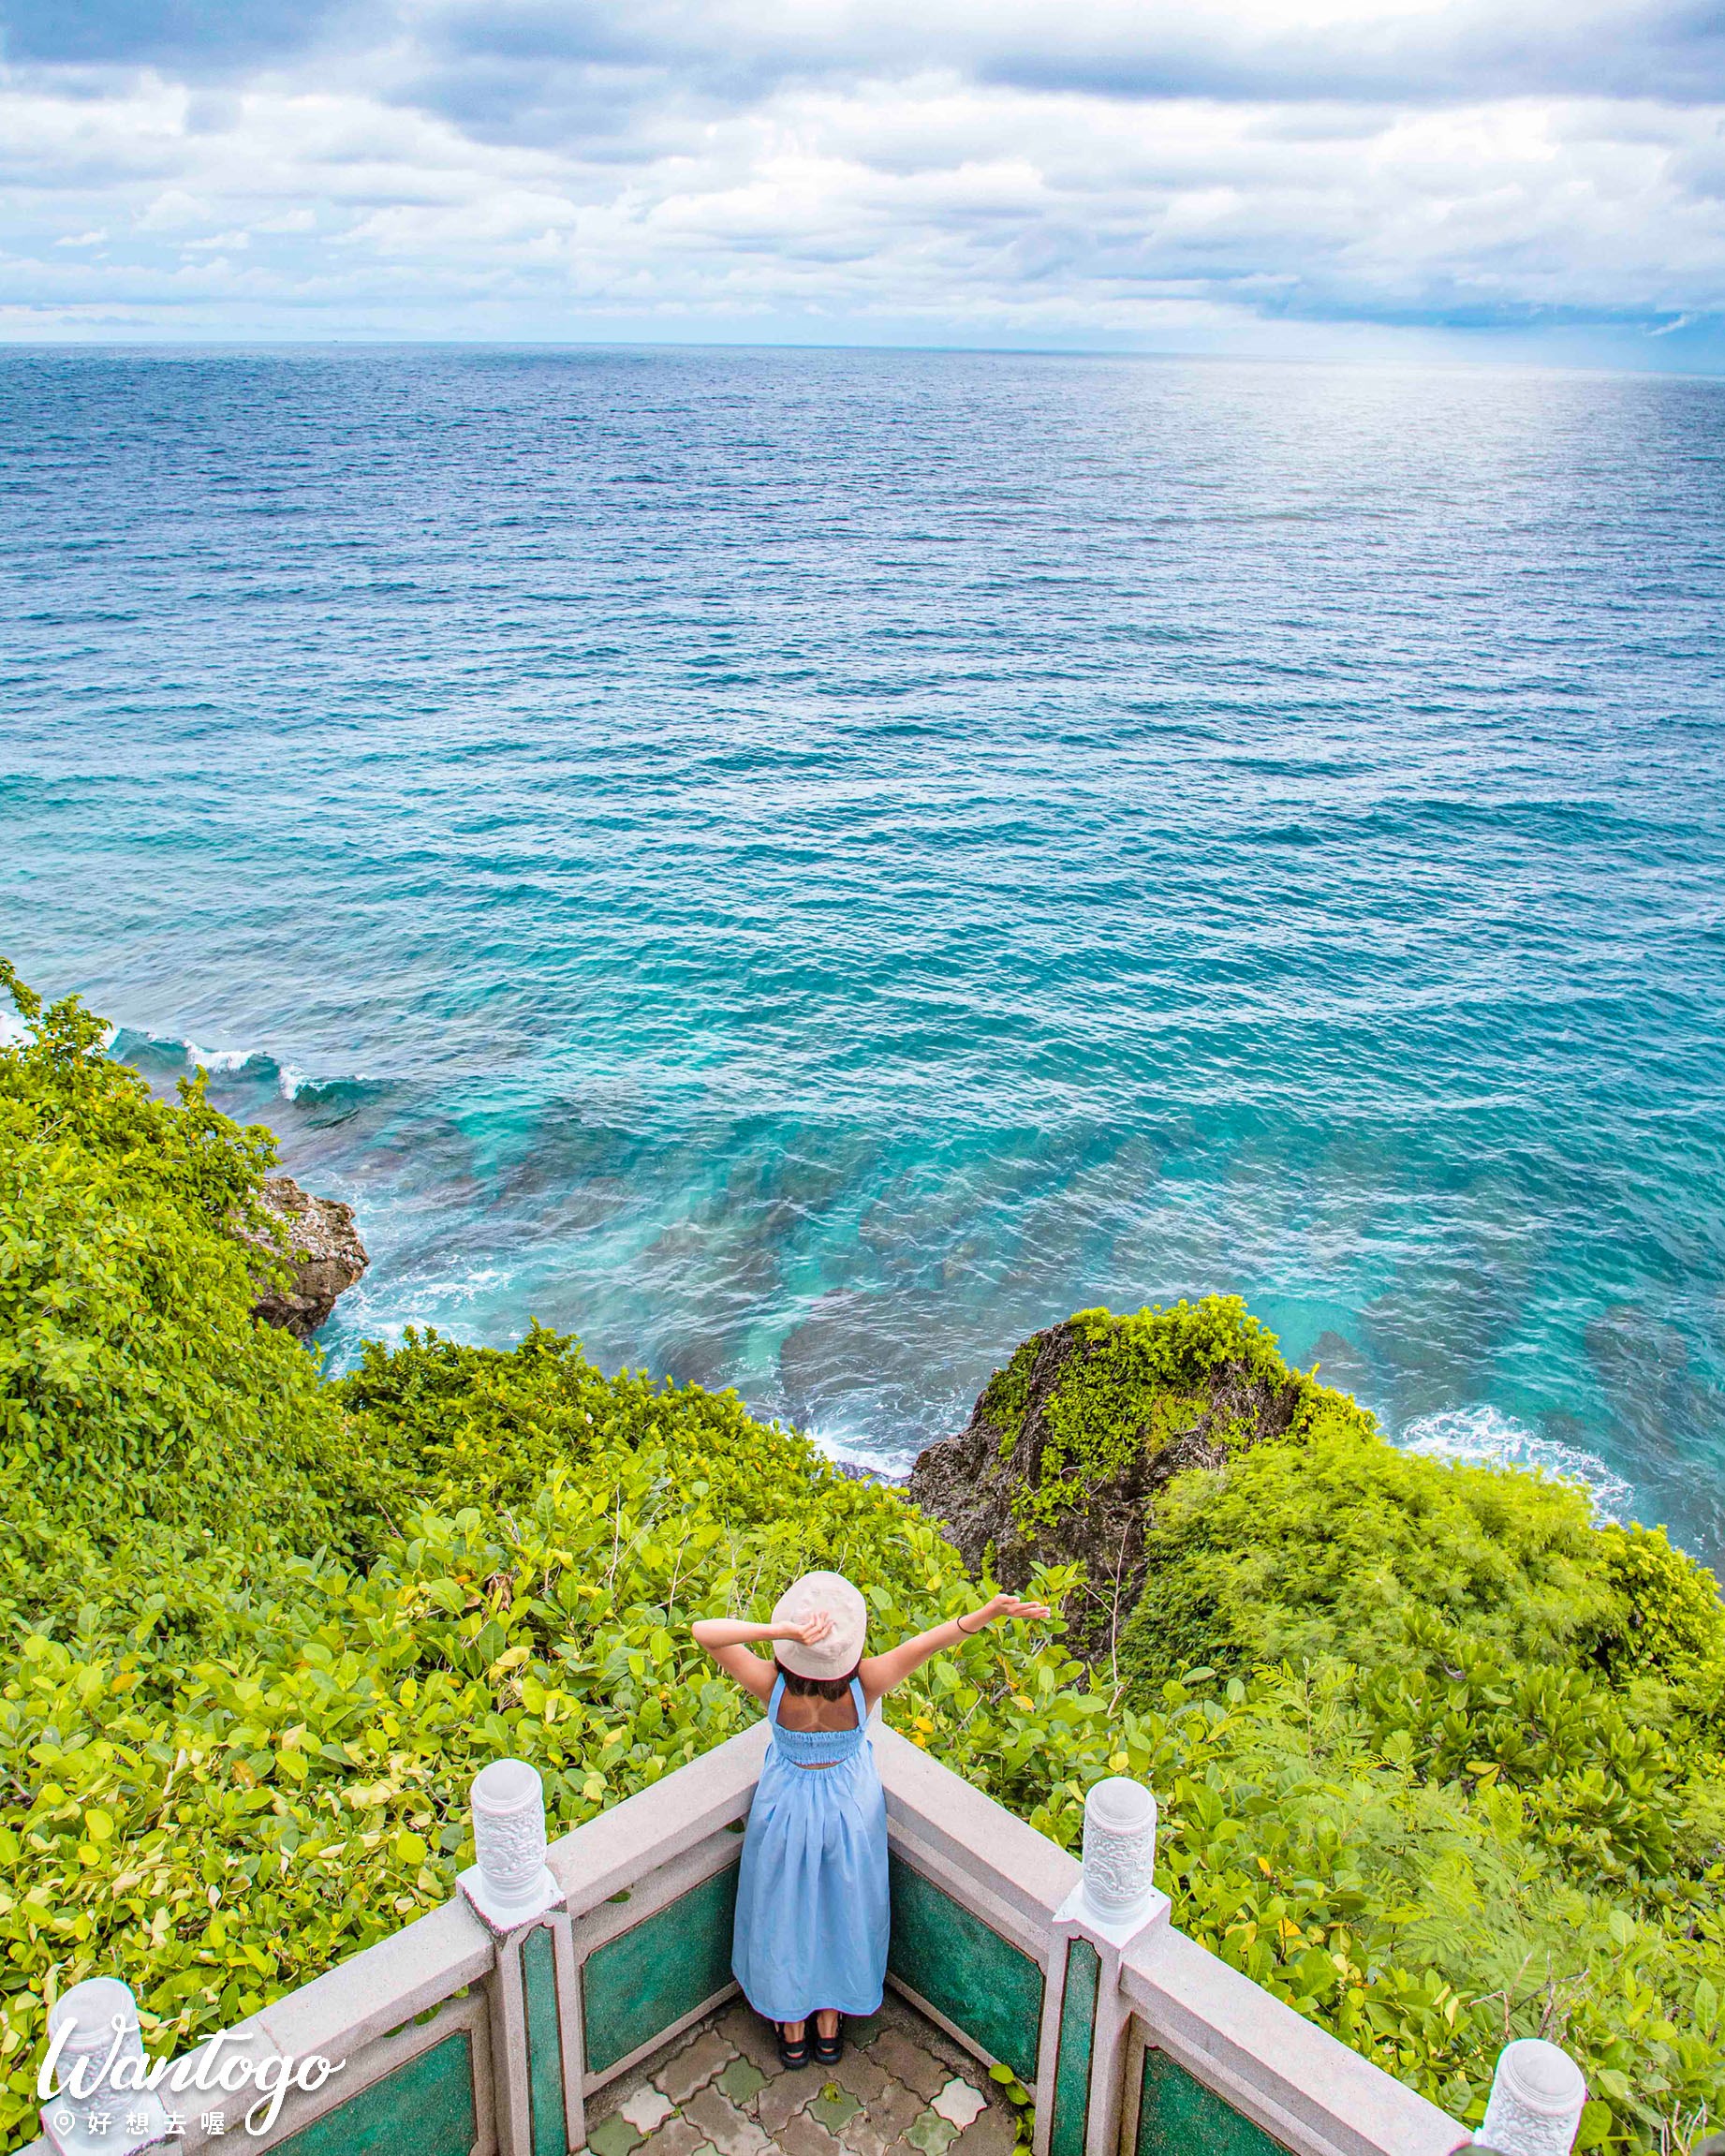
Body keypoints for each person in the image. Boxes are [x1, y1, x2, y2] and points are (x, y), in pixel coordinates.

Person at [692, 1570, 1050, 2067]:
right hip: (849, 1811)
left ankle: (792, 2032)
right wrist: (989, 1613)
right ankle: (830, 2026)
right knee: (846, 1911)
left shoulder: (770, 1684)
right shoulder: (866, 1685)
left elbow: (704, 1632)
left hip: (786, 1808)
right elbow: (932, 1641)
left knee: (784, 1913)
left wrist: (784, 1634)